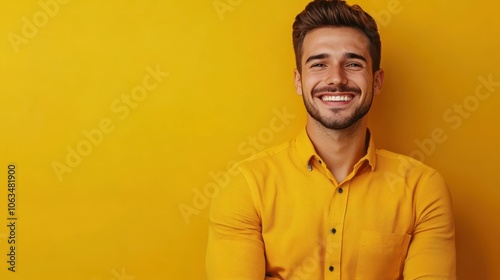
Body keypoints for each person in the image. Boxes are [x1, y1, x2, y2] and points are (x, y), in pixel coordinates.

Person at [206, 0, 456, 279]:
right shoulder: (247, 186)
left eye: (352, 63)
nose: (336, 79)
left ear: (377, 81)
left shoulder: (422, 190)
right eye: (319, 64)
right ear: (299, 81)